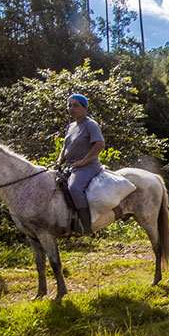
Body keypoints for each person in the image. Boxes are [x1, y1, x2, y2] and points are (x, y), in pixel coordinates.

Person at [54, 93, 105, 235]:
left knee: (74, 187)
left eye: (75, 105)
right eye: (69, 105)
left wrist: (83, 161)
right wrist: (59, 161)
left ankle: (86, 227)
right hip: (71, 166)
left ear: (85, 108)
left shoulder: (90, 125)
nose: (71, 108)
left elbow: (100, 145)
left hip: (87, 167)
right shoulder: (70, 127)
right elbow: (65, 148)